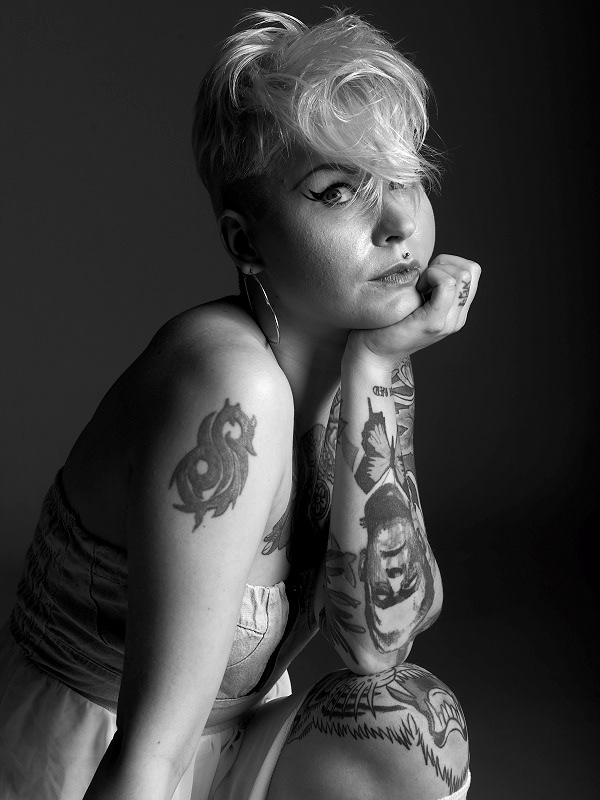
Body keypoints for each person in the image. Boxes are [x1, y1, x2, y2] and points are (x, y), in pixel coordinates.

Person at [0, 9, 480, 800]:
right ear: (244, 241)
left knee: (418, 730)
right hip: (89, 761)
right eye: (340, 191)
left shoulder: (363, 356)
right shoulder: (230, 388)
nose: (399, 224)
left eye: (403, 178)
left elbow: (376, 648)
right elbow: (149, 754)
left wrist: (377, 367)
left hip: (227, 747)